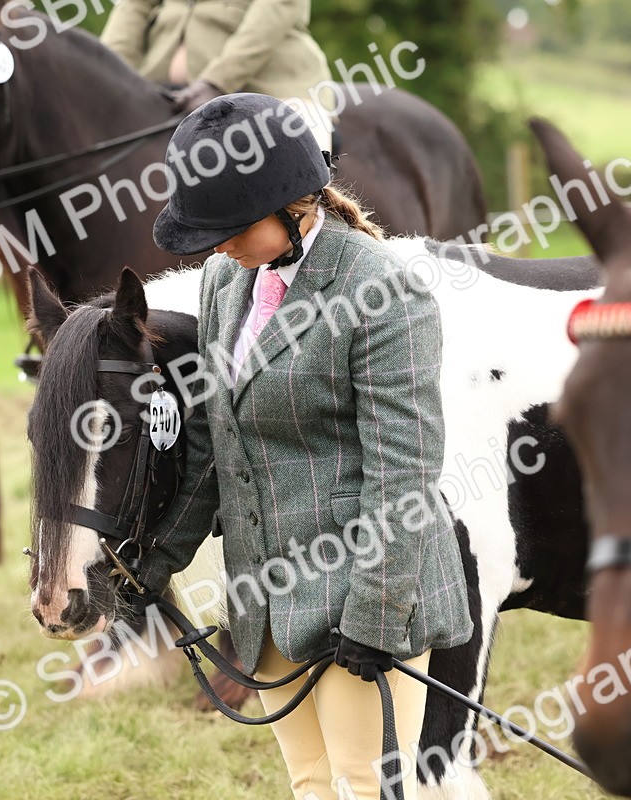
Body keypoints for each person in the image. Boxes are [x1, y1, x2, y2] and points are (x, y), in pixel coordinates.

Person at [142, 94, 472, 800]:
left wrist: (376, 617)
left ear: (293, 205)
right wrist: (153, 563)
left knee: (366, 787)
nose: (213, 244)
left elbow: (404, 476)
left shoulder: (382, 292)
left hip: (365, 592)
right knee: (311, 786)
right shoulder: (226, 281)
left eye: (227, 226)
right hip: (266, 599)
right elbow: (212, 445)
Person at [100, 0, 337, 151]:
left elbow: (277, 8)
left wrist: (217, 81)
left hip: (273, 85)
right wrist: (108, 75)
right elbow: (133, 9)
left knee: (303, 163)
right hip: (162, 91)